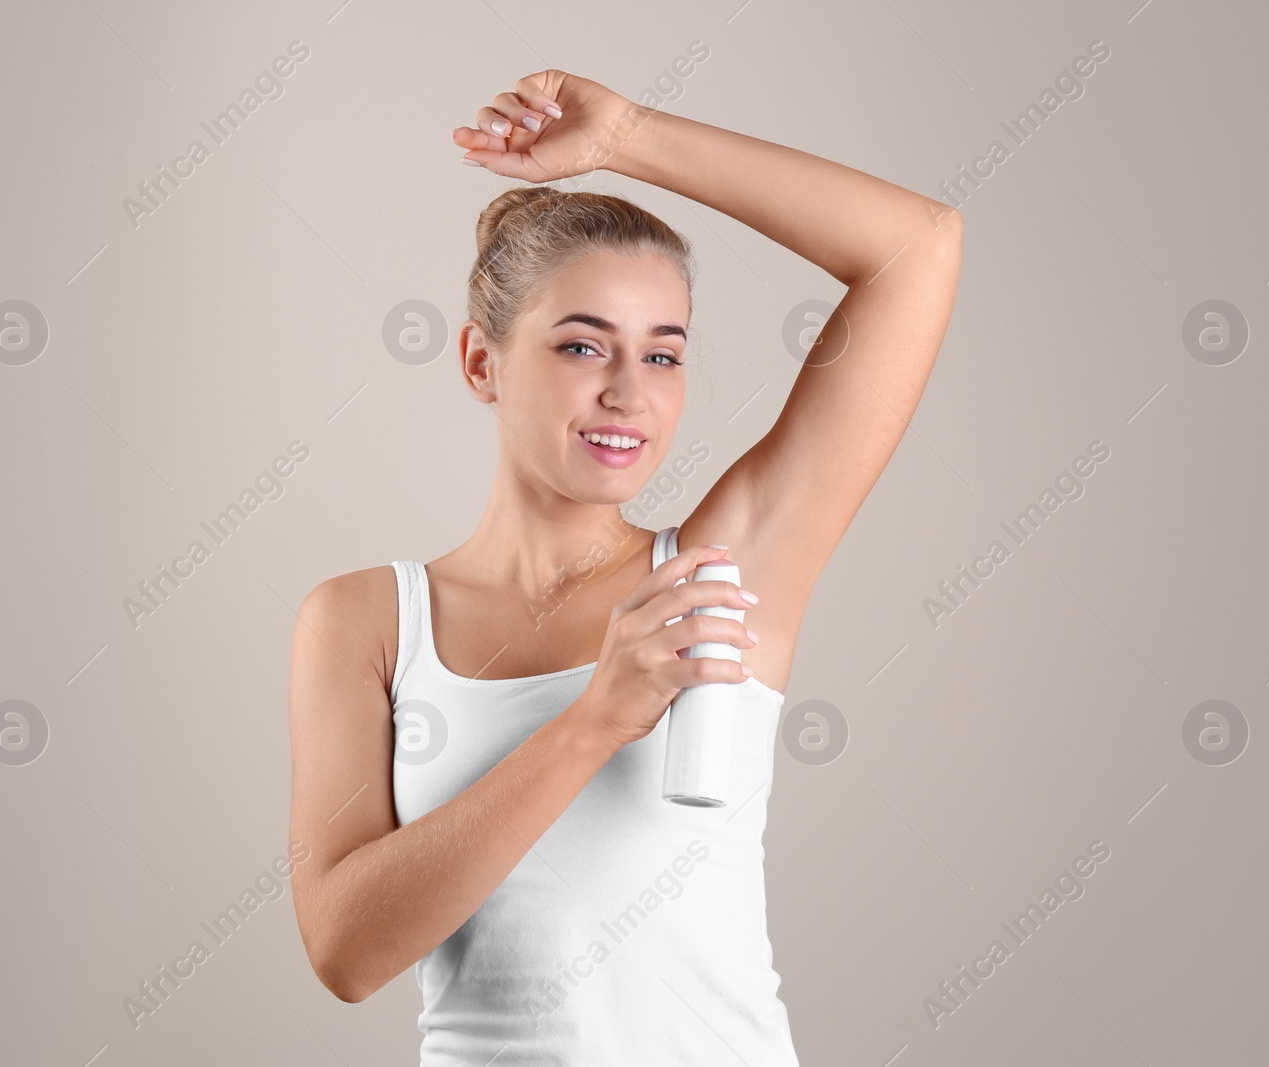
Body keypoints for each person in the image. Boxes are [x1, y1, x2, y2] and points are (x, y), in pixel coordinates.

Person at [286, 69, 962, 1065]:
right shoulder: (366, 620)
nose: (625, 395)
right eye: (580, 345)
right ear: (481, 363)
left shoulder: (721, 570)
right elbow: (345, 948)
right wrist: (597, 716)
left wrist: (628, 135)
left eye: (661, 355)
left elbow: (919, 248)